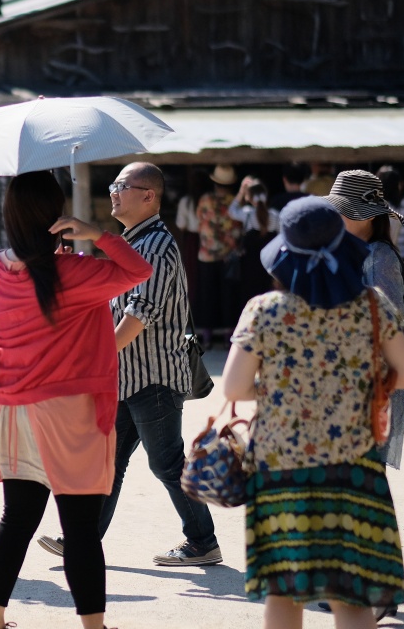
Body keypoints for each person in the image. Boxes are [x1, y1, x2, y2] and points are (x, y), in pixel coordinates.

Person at [223, 197, 404, 628]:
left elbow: (235, 387)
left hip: (281, 468)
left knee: (285, 593)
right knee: (350, 595)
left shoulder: (264, 311)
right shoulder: (373, 306)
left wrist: (281, 391)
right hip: (354, 465)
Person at [0, 171, 152, 629]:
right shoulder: (76, 272)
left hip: (13, 408)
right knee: (79, 527)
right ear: (56, 216)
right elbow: (139, 271)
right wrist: (98, 234)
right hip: (70, 410)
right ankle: (93, 627)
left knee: (16, 519)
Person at [38, 162, 220, 568]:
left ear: (149, 196)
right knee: (109, 463)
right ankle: (82, 539)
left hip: (153, 377)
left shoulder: (154, 245)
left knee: (167, 462)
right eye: (113, 185)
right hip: (127, 376)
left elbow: (136, 318)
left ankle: (203, 541)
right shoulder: (132, 243)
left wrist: (91, 359)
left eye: (122, 186)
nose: (114, 193)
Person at [324, 170, 404, 470]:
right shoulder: (354, 250)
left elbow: (389, 324)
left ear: (365, 216)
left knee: (366, 475)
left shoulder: (379, 257)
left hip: (373, 384)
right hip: (352, 382)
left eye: (341, 210)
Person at [195, 164, 242, 345]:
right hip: (228, 256)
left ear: (214, 182)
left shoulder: (204, 200)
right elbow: (239, 228)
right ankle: (228, 335)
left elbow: (199, 219)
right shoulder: (235, 202)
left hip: (206, 254)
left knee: (207, 295)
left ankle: (207, 336)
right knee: (228, 296)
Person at [228, 176, 280, 307]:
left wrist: (241, 191)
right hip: (269, 262)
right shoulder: (275, 215)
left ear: (249, 198)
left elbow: (231, 211)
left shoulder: (247, 214)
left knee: (249, 293)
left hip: (249, 263)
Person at [174, 168, 209, 313]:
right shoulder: (209, 201)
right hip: (208, 239)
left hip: (193, 240)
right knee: (206, 276)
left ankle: (194, 311)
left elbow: (181, 225)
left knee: (192, 275)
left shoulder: (186, 201)